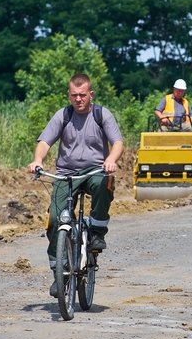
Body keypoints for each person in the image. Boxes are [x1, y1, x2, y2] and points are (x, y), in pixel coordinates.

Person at [28, 72, 124, 296]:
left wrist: (110, 160)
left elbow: (117, 142)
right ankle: (58, 272)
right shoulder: (64, 115)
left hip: (94, 171)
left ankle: (97, 232)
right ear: (69, 95)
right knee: (54, 219)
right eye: (74, 95)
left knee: (105, 181)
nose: (78, 99)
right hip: (66, 174)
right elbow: (45, 141)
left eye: (82, 95)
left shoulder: (102, 115)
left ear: (91, 94)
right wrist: (38, 160)